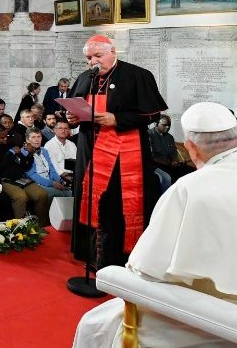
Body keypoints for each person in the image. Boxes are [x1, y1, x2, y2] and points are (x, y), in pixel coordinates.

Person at [73, 102, 237, 347]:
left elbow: (145, 269)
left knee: (93, 324)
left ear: (191, 147)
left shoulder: (189, 188)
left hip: (209, 317)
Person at [66, 34, 167, 269]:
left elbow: (153, 115)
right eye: (89, 58)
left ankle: (119, 258)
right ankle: (92, 256)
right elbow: (73, 109)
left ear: (113, 52)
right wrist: (71, 118)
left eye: (98, 56)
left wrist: (116, 119)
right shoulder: (84, 78)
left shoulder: (137, 75)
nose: (93, 62)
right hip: (89, 151)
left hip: (123, 153)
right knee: (90, 200)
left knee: (114, 205)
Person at [22, 128, 73, 199]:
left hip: (49, 180)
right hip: (35, 183)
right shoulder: (24, 152)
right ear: (27, 140)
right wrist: (52, 183)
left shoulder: (44, 151)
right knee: (57, 194)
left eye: (39, 137)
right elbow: (32, 175)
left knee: (69, 192)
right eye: (33, 137)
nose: (37, 140)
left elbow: (52, 170)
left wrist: (60, 181)